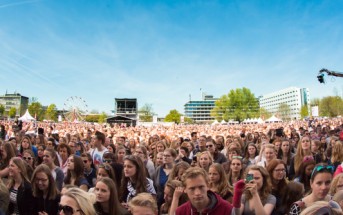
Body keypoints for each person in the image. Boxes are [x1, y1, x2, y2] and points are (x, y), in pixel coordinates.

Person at [175, 166, 244, 215]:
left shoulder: (226, 209)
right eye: (192, 189)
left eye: (201, 187)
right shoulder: (180, 212)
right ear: (184, 189)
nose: (197, 193)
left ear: (208, 186)